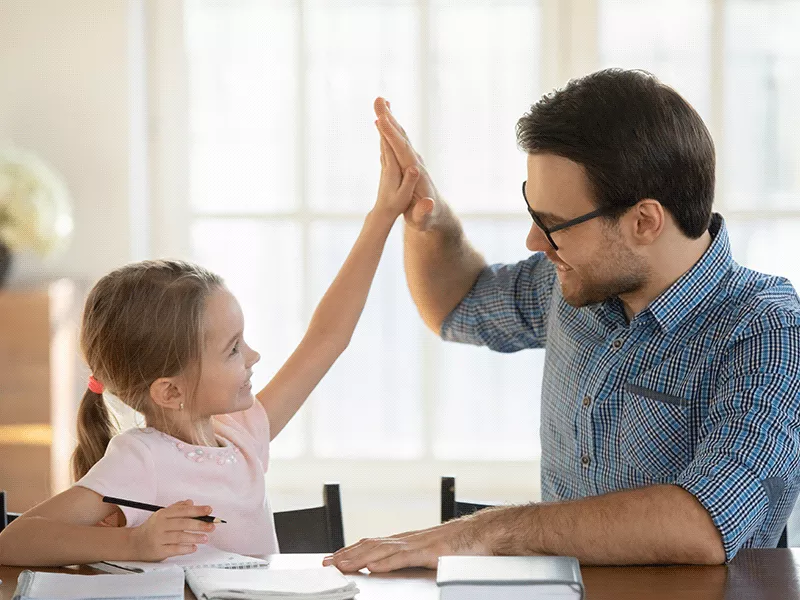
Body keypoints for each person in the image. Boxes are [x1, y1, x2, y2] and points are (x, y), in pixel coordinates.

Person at [324, 69, 800, 573]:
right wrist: (431, 218)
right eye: (534, 211)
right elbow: (456, 305)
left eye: (554, 224)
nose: (534, 241)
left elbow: (704, 525)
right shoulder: (576, 281)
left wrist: (481, 532)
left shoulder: (766, 331)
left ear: (644, 221)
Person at [0, 134, 421, 567]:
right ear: (169, 391)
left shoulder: (243, 431)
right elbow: (12, 542)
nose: (253, 356)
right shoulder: (141, 459)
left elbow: (328, 337)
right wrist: (133, 544)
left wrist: (383, 215)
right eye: (233, 349)